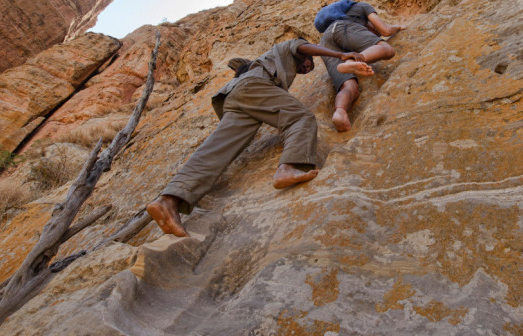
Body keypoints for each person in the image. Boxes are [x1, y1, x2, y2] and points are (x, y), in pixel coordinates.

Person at [147, 39, 370, 237]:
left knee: (216, 151)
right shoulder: (285, 49)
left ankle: (168, 201)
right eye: (307, 64)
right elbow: (301, 45)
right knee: (301, 118)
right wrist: (339, 55)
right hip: (253, 88)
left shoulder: (264, 68)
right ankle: (288, 167)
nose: (307, 68)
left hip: (234, 97)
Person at [318, 1, 405, 132]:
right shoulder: (363, 6)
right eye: (373, 30)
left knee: (350, 86)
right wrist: (397, 27)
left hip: (325, 43)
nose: (375, 33)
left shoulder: (343, 15)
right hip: (343, 28)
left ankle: (340, 112)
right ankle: (354, 61)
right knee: (387, 49)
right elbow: (385, 30)